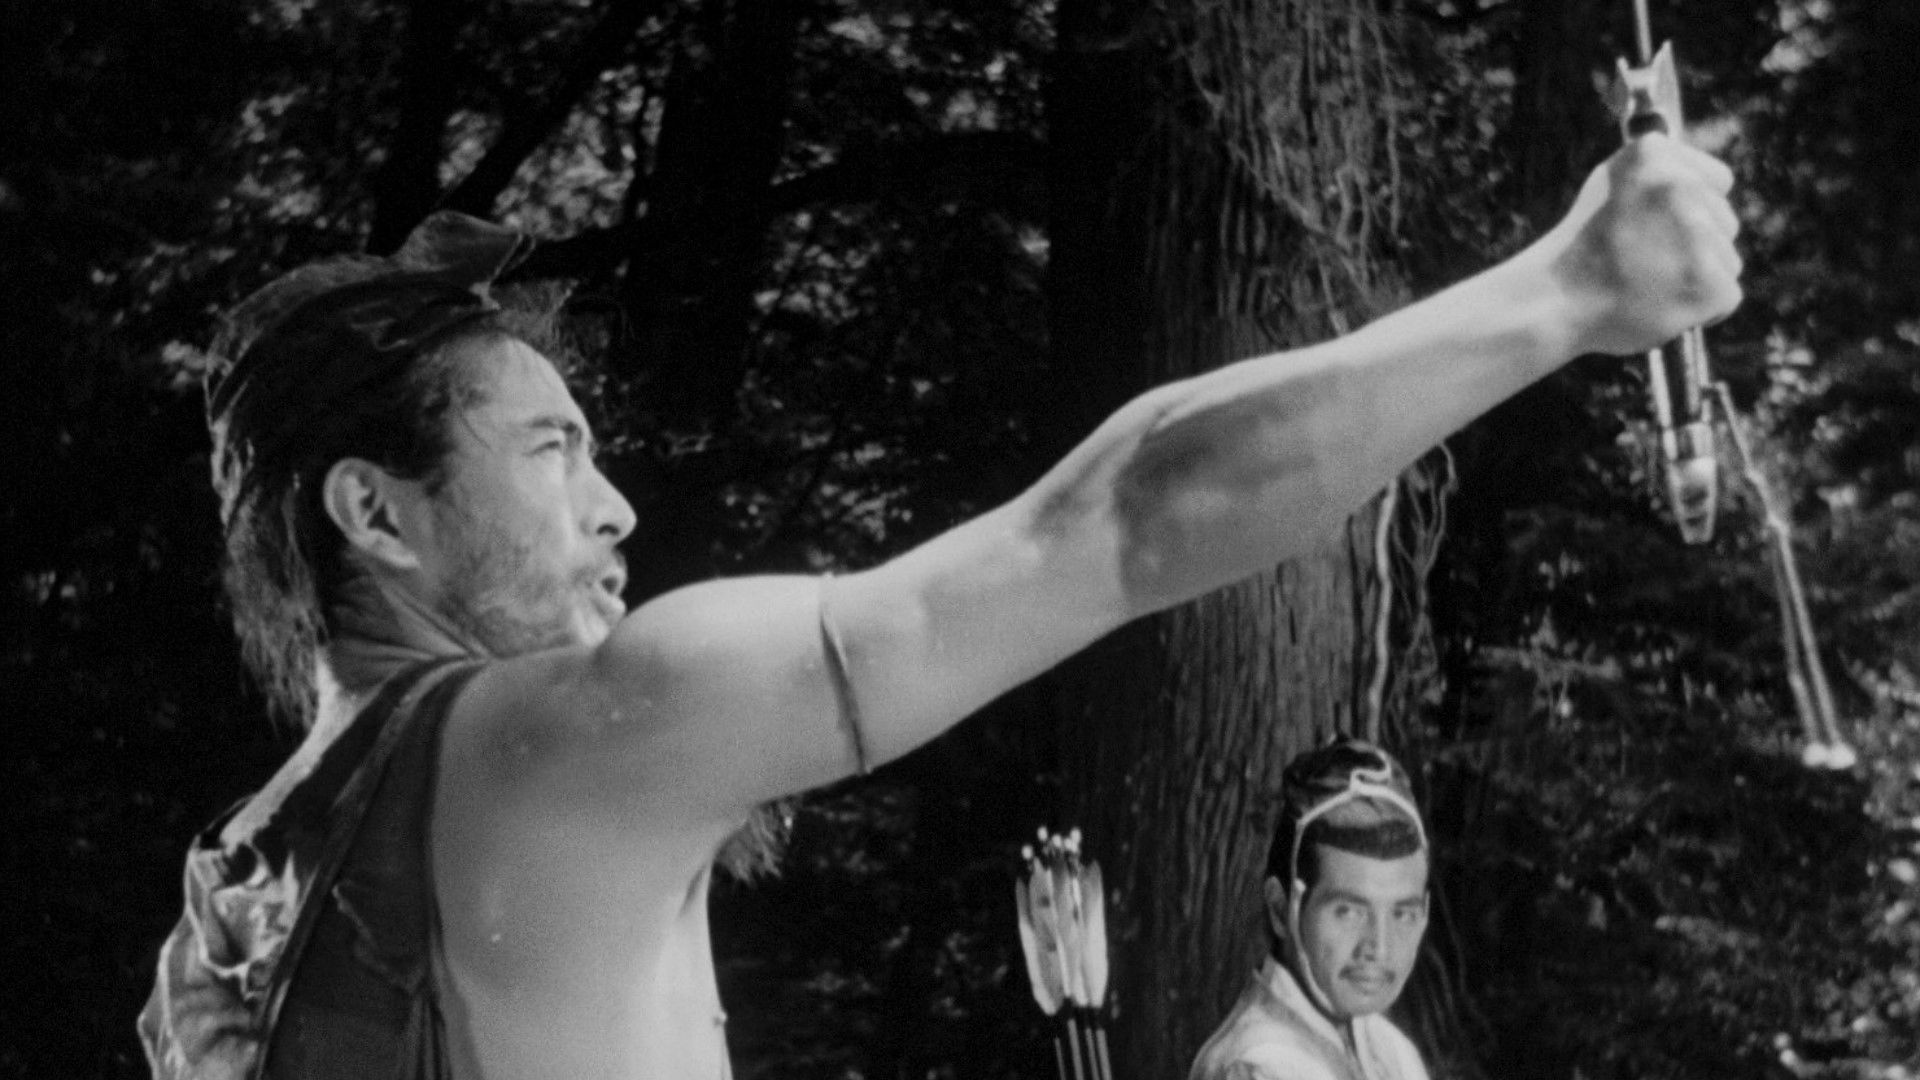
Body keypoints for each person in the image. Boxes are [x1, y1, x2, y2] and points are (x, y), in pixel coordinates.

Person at [139, 129, 1741, 1080]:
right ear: (376, 514)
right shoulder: (562, 743)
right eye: (551, 452)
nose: (614, 508)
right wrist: (1568, 290)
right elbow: (1119, 522)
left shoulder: (222, 923)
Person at [1188, 738, 1434, 1080]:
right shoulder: (1259, 1066)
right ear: (1280, 909)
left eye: (1402, 914)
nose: (1379, 947)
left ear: (1424, 915)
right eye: (1349, 912)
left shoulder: (1392, 1050)